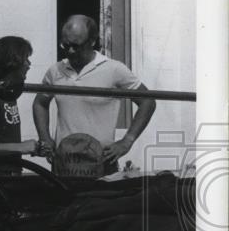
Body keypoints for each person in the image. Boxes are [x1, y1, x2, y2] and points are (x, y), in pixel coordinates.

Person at [32, 15, 155, 175]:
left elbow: (148, 101)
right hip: (64, 162)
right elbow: (40, 103)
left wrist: (127, 141)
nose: (70, 51)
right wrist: (45, 137)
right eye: (65, 45)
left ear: (92, 41)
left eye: (76, 46)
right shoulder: (56, 71)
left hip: (102, 162)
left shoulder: (114, 69)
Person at [0, 36, 50, 170]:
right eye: (25, 59)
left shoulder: (7, 93)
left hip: (10, 176)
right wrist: (21, 147)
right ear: (13, 62)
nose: (29, 65)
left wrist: (35, 148)